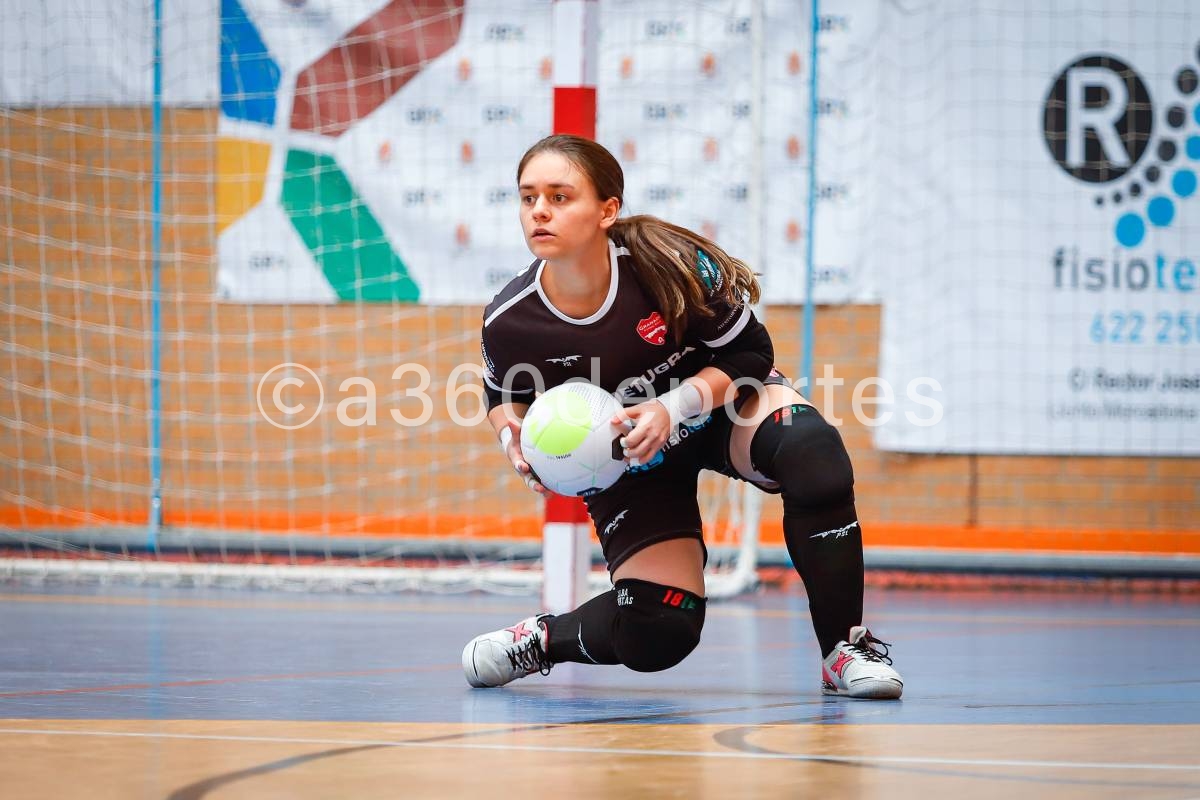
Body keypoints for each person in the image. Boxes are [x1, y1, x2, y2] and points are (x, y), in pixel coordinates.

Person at [462, 134, 903, 699]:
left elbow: (751, 354)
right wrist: (512, 438)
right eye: (528, 198)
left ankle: (845, 649)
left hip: (719, 404)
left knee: (813, 455)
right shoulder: (510, 318)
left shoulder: (667, 265)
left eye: (559, 196)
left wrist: (673, 408)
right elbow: (500, 391)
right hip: (630, 454)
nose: (540, 211)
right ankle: (543, 640)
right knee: (658, 631)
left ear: (607, 210)